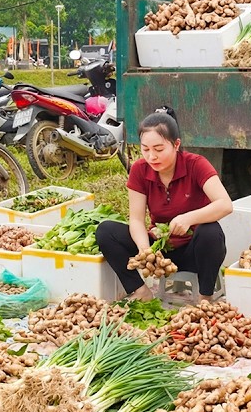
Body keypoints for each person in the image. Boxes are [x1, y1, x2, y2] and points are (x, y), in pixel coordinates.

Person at [96, 109, 233, 302]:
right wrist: (146, 251)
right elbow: (136, 219)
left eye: (159, 149)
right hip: (160, 251)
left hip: (194, 251)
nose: (152, 156)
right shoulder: (139, 170)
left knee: (211, 231)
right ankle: (140, 290)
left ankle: (205, 297)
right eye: (145, 149)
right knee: (106, 231)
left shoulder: (196, 165)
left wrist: (188, 218)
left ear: (176, 144)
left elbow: (225, 204)